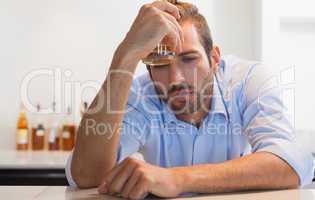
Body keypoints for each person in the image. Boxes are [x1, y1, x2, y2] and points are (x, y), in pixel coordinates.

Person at [66, 0, 314, 199]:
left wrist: (177, 178)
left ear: (214, 58)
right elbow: (86, 176)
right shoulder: (141, 95)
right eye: (161, 64)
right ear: (149, 69)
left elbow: (291, 162)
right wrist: (126, 54)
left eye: (189, 59)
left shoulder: (248, 80)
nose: (175, 78)